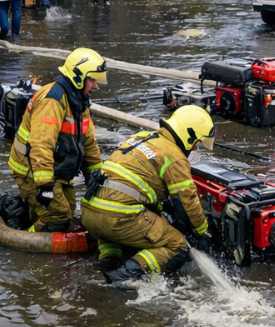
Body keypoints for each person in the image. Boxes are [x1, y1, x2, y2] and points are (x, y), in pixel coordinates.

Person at [81, 105, 215, 283]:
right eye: (197, 143)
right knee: (177, 245)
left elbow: (139, 188)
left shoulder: (141, 137)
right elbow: (187, 204)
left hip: (90, 212)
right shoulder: (174, 156)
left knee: (123, 232)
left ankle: (108, 262)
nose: (195, 149)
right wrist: (202, 232)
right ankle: (120, 278)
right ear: (189, 136)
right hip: (117, 218)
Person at [7, 48, 106, 232]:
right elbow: (41, 144)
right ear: (78, 77)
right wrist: (45, 186)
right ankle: (25, 247)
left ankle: (31, 219)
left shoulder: (78, 102)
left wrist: (95, 175)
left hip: (57, 171)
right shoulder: (52, 100)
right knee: (59, 216)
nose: (95, 86)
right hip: (31, 171)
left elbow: (89, 143)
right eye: (92, 80)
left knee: (69, 212)